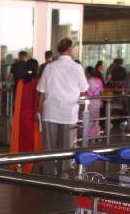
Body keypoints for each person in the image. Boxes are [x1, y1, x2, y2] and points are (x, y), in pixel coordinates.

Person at [37, 38, 88, 175]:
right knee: (66, 148)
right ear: (70, 49)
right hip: (69, 112)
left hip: (50, 111)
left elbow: (41, 91)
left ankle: (48, 174)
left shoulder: (49, 67)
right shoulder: (77, 67)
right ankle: (63, 174)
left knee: (49, 147)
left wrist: (39, 110)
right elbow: (84, 89)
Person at [9, 58, 42, 173]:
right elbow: (38, 100)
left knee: (21, 141)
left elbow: (17, 103)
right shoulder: (38, 82)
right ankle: (29, 166)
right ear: (36, 68)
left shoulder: (21, 82)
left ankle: (20, 163)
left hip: (21, 118)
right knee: (32, 143)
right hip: (33, 118)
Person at [85, 66, 103, 141]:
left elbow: (84, 92)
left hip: (88, 102)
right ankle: (95, 135)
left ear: (88, 73)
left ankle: (87, 135)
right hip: (97, 101)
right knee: (96, 119)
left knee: (88, 119)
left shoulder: (86, 81)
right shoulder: (98, 80)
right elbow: (101, 90)